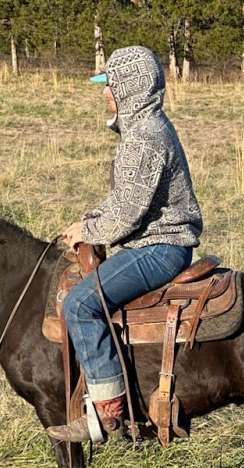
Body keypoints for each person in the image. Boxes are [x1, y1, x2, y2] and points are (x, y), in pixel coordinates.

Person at [47, 45, 203, 443]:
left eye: (109, 85)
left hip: (160, 247)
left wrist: (90, 231)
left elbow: (128, 212)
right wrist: (87, 222)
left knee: (80, 304)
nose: (105, 93)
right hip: (157, 242)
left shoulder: (144, 139)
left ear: (129, 89)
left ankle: (106, 407)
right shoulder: (146, 129)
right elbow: (123, 202)